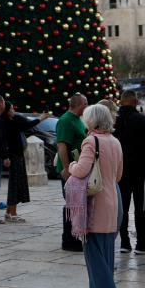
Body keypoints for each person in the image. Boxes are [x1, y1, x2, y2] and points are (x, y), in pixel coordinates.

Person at [68, 103, 124, 288]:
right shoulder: (115, 141)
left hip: (96, 207)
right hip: (112, 202)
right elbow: (118, 174)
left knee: (95, 256)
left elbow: (81, 170)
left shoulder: (91, 141)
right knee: (105, 253)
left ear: (90, 120)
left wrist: (72, 165)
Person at [113, 90, 145, 255]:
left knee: (123, 207)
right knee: (142, 207)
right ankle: (141, 242)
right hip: (141, 171)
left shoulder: (113, 121)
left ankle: (124, 242)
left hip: (120, 171)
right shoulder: (142, 120)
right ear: (136, 102)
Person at [3, 104, 49, 222]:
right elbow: (28, 125)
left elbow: (27, 125)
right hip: (14, 156)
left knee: (16, 184)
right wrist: (41, 118)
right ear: (7, 111)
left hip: (17, 155)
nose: (13, 110)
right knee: (15, 185)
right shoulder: (9, 122)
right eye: (11, 108)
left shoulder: (12, 119)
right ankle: (12, 213)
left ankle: (9, 212)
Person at [56, 93, 88, 251]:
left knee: (75, 203)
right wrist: (66, 168)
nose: (87, 107)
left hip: (77, 168)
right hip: (70, 169)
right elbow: (62, 145)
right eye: (85, 103)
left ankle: (75, 237)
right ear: (78, 104)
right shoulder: (66, 120)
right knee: (71, 203)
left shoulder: (77, 120)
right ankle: (69, 240)